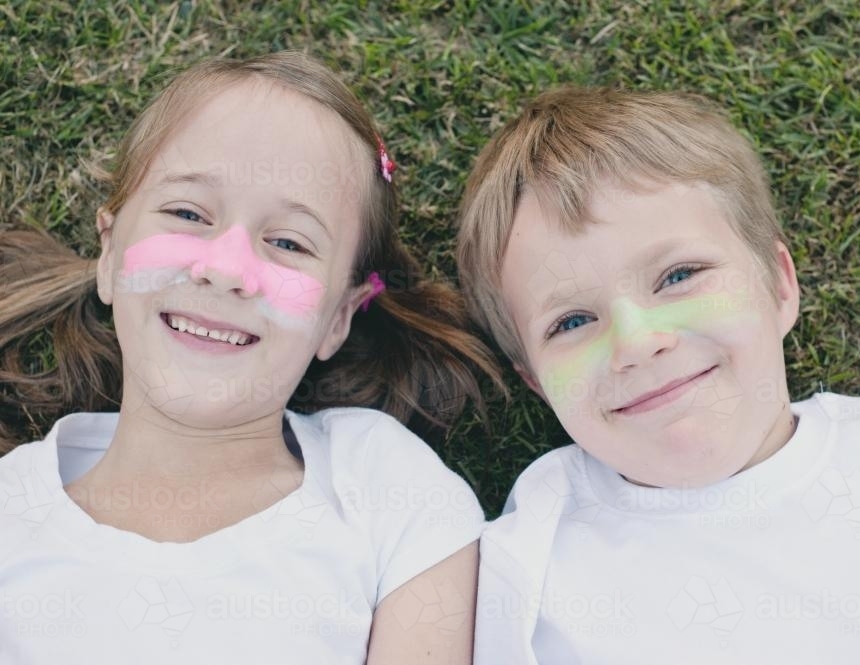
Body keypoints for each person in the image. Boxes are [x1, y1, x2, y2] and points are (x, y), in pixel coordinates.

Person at [456, 86, 860, 664]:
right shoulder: (528, 561)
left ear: (779, 286)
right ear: (537, 383)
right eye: (571, 322)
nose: (638, 343)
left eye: (678, 276)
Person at [0, 51, 502, 664]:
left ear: (338, 317)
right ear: (108, 254)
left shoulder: (385, 493)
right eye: (188, 213)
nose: (226, 268)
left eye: (289, 242)